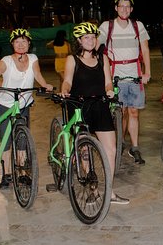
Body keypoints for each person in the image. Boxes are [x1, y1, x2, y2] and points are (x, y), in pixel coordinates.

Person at [62, 22, 129, 204]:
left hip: (99, 104)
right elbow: (67, 80)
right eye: (86, 38)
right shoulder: (72, 59)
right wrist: (65, 89)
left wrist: (109, 90)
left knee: (111, 149)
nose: (90, 41)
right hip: (79, 105)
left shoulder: (103, 58)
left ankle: (109, 191)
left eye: (93, 37)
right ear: (79, 40)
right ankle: (92, 189)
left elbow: (107, 81)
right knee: (85, 150)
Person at [0, 28, 54, 189]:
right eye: (17, 42)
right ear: (12, 44)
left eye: (24, 42)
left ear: (29, 44)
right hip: (6, 103)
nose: (21, 45)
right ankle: (6, 175)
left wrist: (45, 85)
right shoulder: (6, 60)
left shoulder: (33, 58)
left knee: (21, 140)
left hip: (24, 103)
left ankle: (21, 174)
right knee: (6, 141)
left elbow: (38, 74)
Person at [98, 0, 151, 165]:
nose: (124, 9)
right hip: (115, 76)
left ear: (132, 9)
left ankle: (134, 147)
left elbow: (145, 50)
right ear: (115, 8)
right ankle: (118, 141)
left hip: (134, 75)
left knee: (134, 112)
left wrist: (147, 72)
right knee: (118, 113)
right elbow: (98, 47)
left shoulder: (138, 26)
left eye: (127, 6)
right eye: (121, 6)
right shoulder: (107, 26)